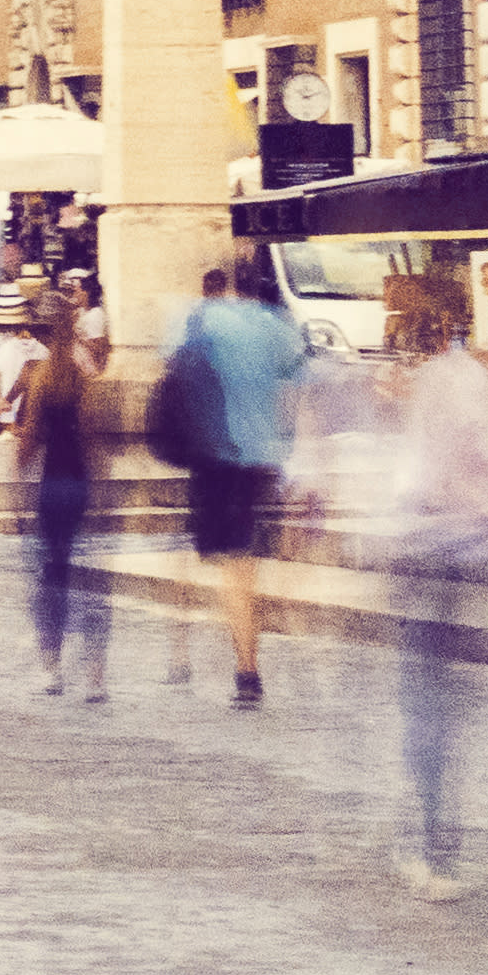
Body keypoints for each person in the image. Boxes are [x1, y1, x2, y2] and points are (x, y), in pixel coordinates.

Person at [373, 270, 488, 905]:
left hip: (450, 553)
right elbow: (468, 461)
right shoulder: (462, 382)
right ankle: (428, 844)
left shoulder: (450, 379)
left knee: (439, 705)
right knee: (438, 709)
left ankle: (427, 840)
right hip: (443, 555)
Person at [164, 250, 306, 709]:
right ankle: (246, 661)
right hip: (261, 463)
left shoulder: (203, 320)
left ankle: (199, 655)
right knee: (244, 566)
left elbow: (174, 377)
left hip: (214, 458)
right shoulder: (279, 329)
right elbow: (294, 397)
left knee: (215, 561)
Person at [8, 283, 108, 702]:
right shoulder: (88, 375)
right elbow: (94, 437)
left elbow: (30, 441)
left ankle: (51, 668)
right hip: (82, 483)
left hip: (52, 488)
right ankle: (95, 676)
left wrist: (15, 482)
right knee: (90, 580)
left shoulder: (43, 376)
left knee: (53, 575)